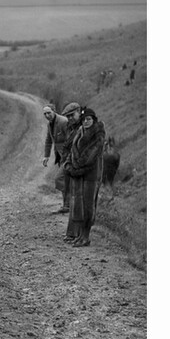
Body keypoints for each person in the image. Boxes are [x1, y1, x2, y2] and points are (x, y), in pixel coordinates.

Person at [64, 107, 106, 247]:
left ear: (94, 120)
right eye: (84, 120)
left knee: (88, 205)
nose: (86, 122)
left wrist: (77, 167)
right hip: (79, 172)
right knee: (79, 205)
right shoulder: (81, 131)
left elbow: (91, 156)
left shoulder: (98, 134)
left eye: (89, 119)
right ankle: (80, 235)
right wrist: (69, 164)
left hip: (91, 175)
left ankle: (86, 237)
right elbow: (73, 150)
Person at [58, 102, 82, 239]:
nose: (70, 118)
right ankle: (72, 233)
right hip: (72, 167)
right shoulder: (71, 127)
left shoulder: (84, 126)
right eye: (68, 116)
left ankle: (79, 233)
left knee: (80, 202)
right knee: (75, 200)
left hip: (82, 169)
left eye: (72, 115)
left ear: (79, 112)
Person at [41, 104, 69, 212]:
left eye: (49, 113)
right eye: (45, 114)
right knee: (64, 180)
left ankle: (69, 205)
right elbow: (48, 140)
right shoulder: (50, 124)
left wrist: (69, 156)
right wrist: (46, 156)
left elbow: (70, 139)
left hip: (68, 156)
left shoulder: (63, 122)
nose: (47, 115)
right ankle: (66, 205)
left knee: (60, 179)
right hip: (60, 157)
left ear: (54, 111)